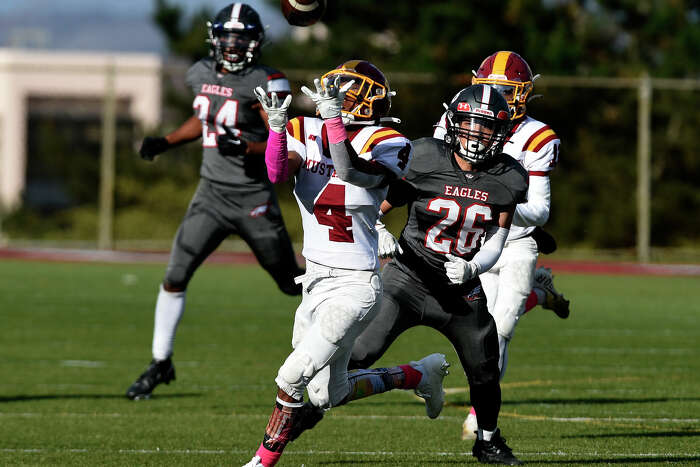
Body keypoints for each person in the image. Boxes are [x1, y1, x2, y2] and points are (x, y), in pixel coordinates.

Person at [242, 60, 450, 467]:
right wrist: (278, 129)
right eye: (335, 93)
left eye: (346, 95)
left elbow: (350, 170)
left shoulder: (390, 140)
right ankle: (418, 374)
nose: (335, 100)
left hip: (356, 284)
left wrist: (335, 122)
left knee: (291, 375)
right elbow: (275, 170)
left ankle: (261, 462)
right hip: (315, 280)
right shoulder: (308, 128)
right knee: (326, 394)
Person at [125, 3, 303, 400]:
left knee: (292, 283)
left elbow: (286, 144)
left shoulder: (267, 81)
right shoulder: (199, 72)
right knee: (175, 275)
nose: (233, 45)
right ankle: (160, 361)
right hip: (210, 193)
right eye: (227, 37)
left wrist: (248, 147)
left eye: (241, 38)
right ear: (215, 38)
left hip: (253, 197)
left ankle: (334, 337)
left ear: (255, 42)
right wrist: (167, 142)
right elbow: (205, 118)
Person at [347, 84, 528, 465]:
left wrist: (475, 266)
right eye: (469, 124)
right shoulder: (424, 155)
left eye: (486, 127)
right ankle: (312, 401)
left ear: (502, 132)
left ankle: (488, 440)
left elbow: (498, 234)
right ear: (453, 122)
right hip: (408, 277)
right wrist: (377, 228)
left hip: (461, 288)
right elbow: (377, 207)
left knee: (485, 368)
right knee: (359, 352)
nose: (476, 135)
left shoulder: (508, 176)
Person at [433, 51, 570, 439]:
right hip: (470, 237)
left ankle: (481, 415)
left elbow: (539, 210)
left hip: (516, 241)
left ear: (523, 94)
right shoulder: (454, 119)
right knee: (480, 326)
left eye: (505, 91)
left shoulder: (536, 135)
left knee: (500, 330)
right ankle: (540, 295)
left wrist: (488, 199)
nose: (495, 96)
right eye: (489, 87)